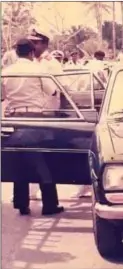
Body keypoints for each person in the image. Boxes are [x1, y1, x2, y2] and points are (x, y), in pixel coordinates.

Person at [1, 38, 64, 216]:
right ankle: (49, 204)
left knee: (19, 160)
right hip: (35, 117)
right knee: (41, 160)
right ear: (30, 52)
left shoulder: (6, 72)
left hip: (14, 118)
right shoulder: (38, 69)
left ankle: (21, 203)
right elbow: (52, 90)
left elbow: (2, 96)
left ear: (16, 51)